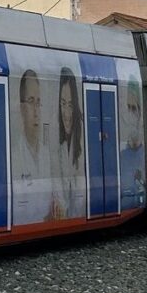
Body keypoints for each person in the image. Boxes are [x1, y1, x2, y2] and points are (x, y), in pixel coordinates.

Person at [12, 69, 54, 224]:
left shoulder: (46, 154)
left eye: (38, 102)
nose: (36, 111)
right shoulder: (14, 157)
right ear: (22, 109)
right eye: (31, 102)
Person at [53, 67, 85, 219]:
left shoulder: (82, 140)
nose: (66, 113)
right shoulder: (57, 142)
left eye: (71, 105)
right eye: (63, 103)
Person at [118, 75, 145, 208]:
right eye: (128, 108)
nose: (130, 114)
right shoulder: (121, 158)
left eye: (134, 108)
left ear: (140, 113)